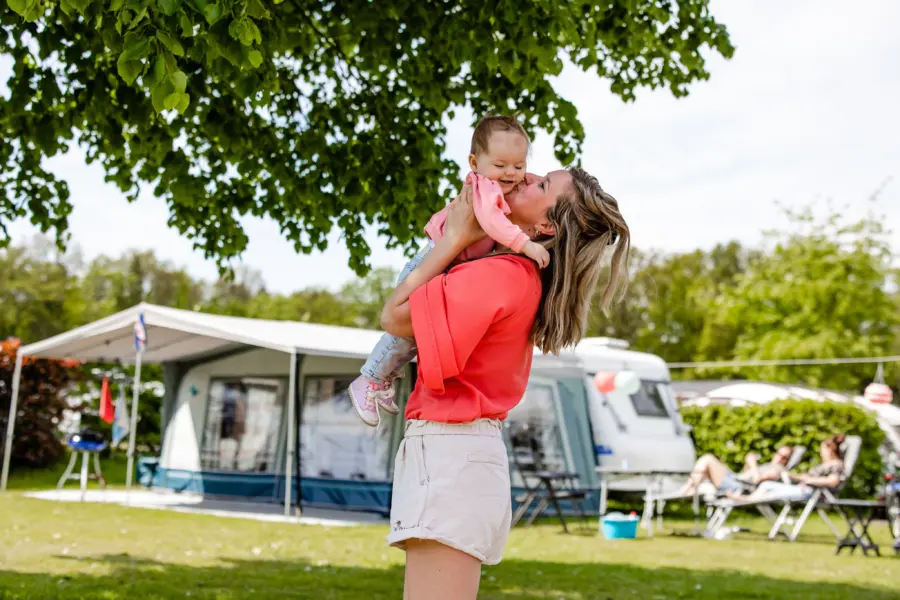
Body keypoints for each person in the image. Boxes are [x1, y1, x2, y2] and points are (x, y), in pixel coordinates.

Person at [377, 164, 630, 599]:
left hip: (450, 456)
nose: (525, 177)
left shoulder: (503, 274)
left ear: (546, 225)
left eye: (542, 185)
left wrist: (453, 238)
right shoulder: (513, 273)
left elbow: (395, 318)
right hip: (459, 456)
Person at [349, 116, 551, 424]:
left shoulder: (501, 181)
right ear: (475, 162)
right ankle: (371, 377)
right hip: (433, 259)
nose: (513, 174)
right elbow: (492, 222)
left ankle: (381, 379)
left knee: (420, 332)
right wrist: (526, 243)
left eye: (519, 165)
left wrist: (522, 174)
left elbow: (526, 180)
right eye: (501, 165)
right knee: (405, 332)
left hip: (448, 262)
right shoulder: (484, 190)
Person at [738, 434, 846, 502]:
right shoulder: (825, 464)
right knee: (767, 486)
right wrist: (794, 476)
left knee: (767, 487)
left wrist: (808, 479)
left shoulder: (837, 465)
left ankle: (747, 499)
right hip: (805, 489)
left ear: (830, 450)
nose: (820, 453)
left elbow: (833, 481)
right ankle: (747, 499)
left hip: (813, 492)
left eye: (822, 450)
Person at [678, 445, 795, 498]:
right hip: (736, 480)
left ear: (787, 460)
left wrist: (753, 463)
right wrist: (748, 463)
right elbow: (747, 474)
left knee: (707, 459)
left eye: (784, 457)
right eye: (779, 454)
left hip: (738, 487)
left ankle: (686, 491)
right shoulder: (768, 465)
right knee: (706, 462)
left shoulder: (779, 470)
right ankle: (689, 489)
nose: (779, 458)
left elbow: (756, 480)